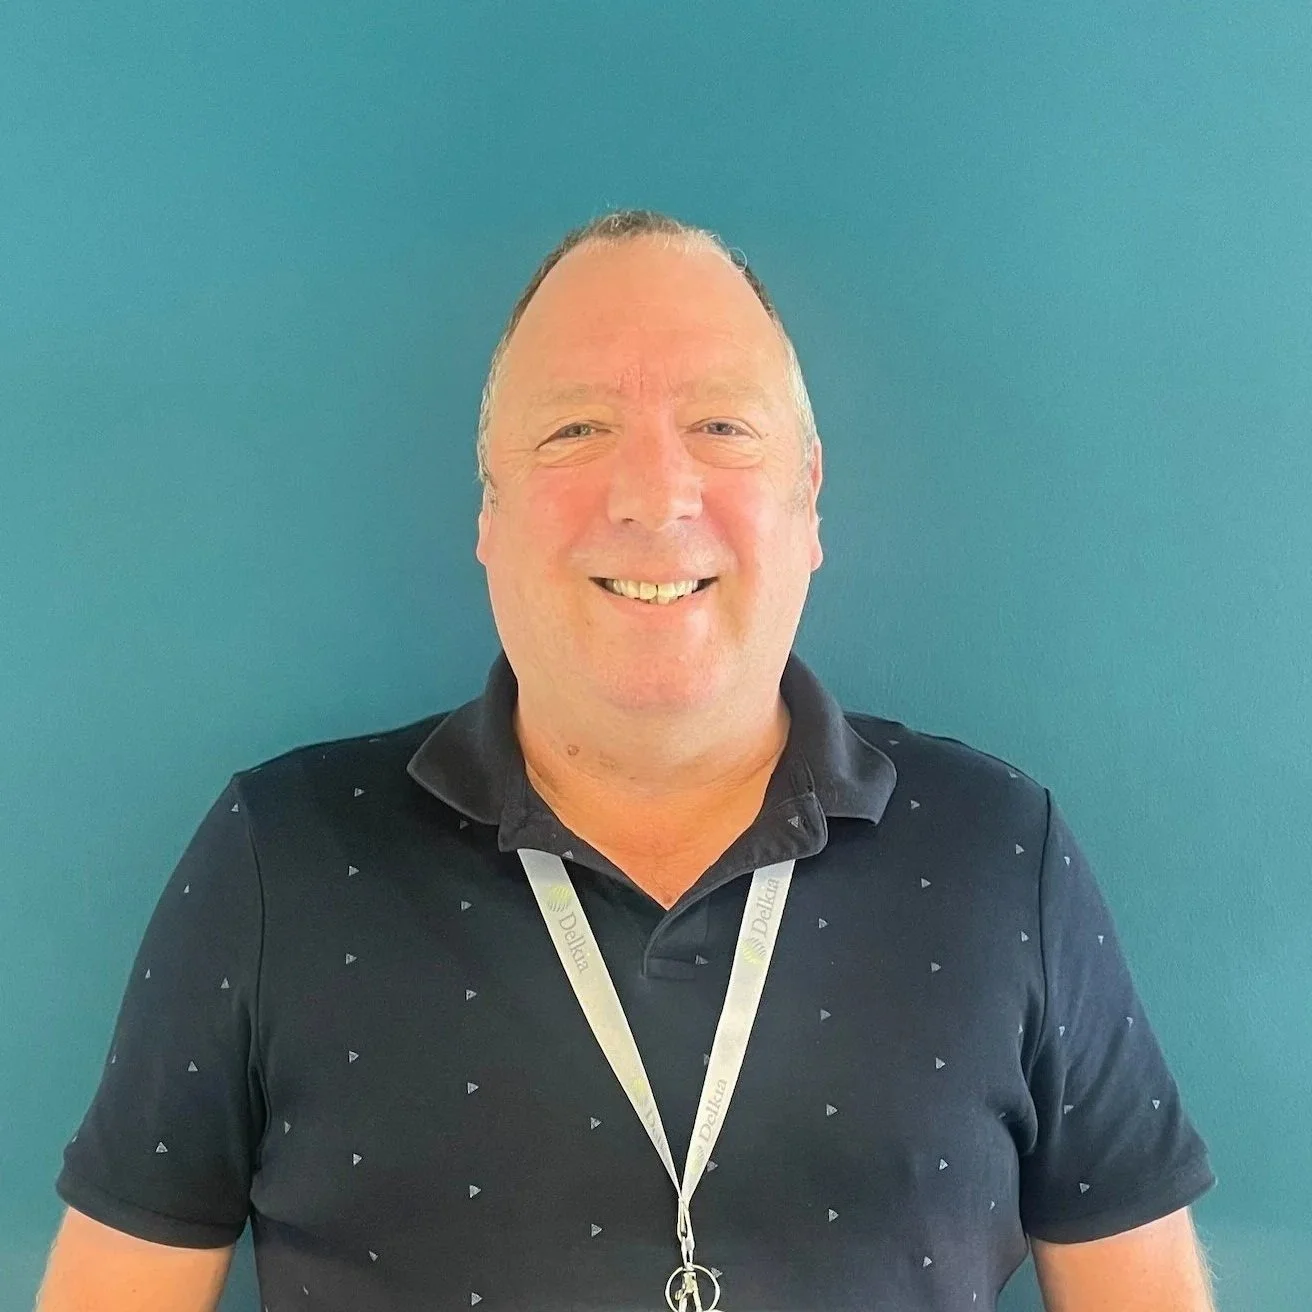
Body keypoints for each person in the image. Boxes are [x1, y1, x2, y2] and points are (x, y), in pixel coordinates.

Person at [39, 209, 1218, 1312]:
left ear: (808, 500)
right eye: (575, 430)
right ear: (489, 512)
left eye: (721, 427)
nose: (656, 495)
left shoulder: (1000, 849)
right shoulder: (278, 855)